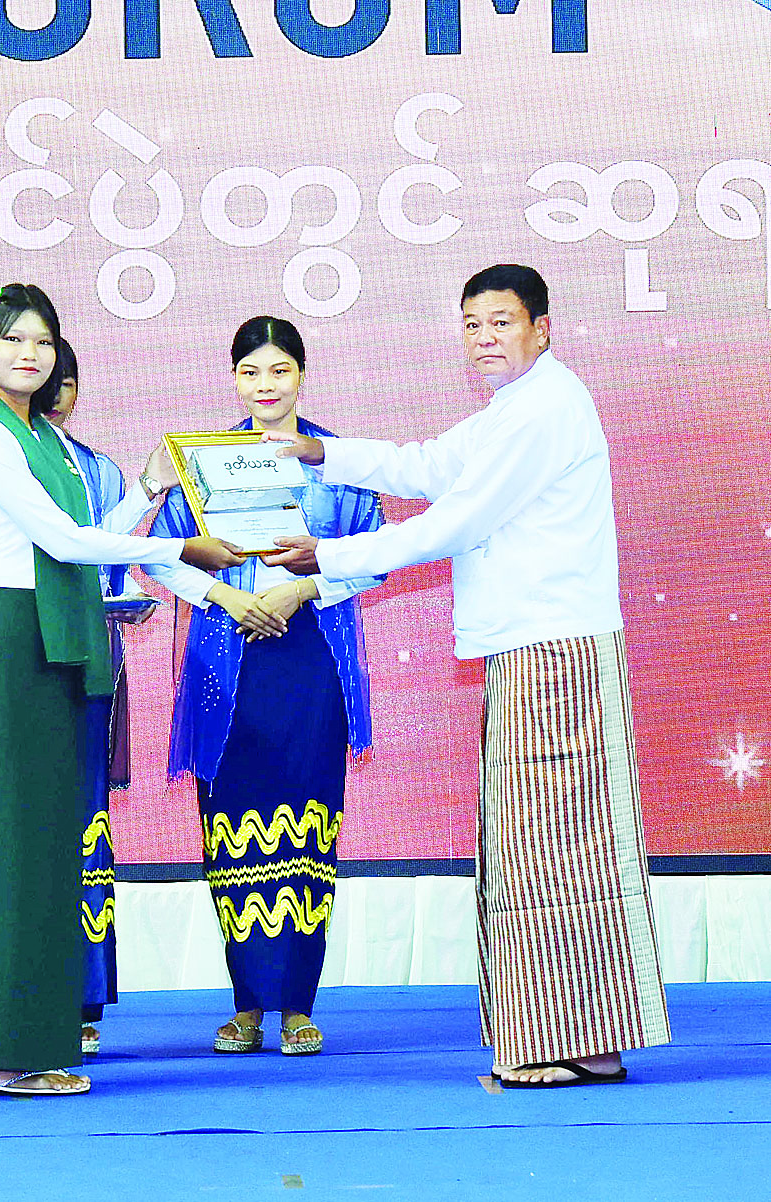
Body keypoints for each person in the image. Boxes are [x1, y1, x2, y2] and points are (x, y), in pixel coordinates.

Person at [261, 266, 671, 1087]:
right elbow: (426, 466)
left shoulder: (545, 409)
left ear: (541, 329)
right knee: (549, 846)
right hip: (536, 649)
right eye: (473, 324)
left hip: (554, 652)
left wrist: (328, 557)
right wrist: (321, 451)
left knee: (547, 849)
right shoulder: (514, 408)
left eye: (502, 322)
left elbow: (456, 519)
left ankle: (560, 1043)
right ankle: (582, 1039)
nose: (485, 338)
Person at [0, 283, 242, 1096]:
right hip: (10, 642)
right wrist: (178, 552)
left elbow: (87, 538)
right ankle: (0, 1057)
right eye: (12, 339)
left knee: (45, 849)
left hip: (54, 644)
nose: (29, 353)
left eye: (42, 341)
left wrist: (151, 490)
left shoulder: (49, 444)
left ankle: (37, 1043)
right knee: (6, 849)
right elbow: (60, 543)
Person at [142, 316, 384, 1055]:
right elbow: (158, 555)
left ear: (302, 374)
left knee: (310, 821)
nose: (266, 385)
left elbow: (377, 554)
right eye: (251, 372)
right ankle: (247, 1004)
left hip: (311, 657)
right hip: (228, 661)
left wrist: (302, 590)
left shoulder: (335, 463)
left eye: (280, 370)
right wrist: (224, 595)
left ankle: (297, 1007)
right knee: (231, 827)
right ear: (234, 379)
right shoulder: (201, 463)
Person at [43, 340, 139, 1056]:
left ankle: (82, 1000)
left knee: (85, 819)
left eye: (66, 379)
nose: (55, 390)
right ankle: (30, 995)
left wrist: (126, 597)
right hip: (25, 654)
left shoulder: (101, 469)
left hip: (91, 660)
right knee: (32, 822)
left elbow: (111, 566)